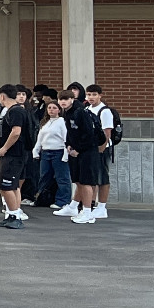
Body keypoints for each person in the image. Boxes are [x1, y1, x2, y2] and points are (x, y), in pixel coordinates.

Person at [0, 85, 34, 229]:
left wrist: (4, 148)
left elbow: (16, 132)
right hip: (13, 154)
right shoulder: (14, 110)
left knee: (6, 186)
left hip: (14, 154)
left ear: (2, 96)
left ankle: (15, 215)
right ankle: (12, 214)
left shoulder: (15, 111)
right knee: (14, 186)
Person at [63, 86, 104, 225]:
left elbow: (89, 134)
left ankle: (87, 212)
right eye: (61, 99)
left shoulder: (80, 112)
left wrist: (79, 149)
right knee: (79, 181)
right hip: (76, 150)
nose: (63, 102)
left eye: (66, 99)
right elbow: (70, 132)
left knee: (87, 181)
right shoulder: (67, 113)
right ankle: (76, 208)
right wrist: (68, 144)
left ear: (72, 99)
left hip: (88, 151)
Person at [33, 96, 73, 215]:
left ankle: (63, 201)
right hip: (46, 152)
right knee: (44, 176)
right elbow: (40, 138)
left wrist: (65, 154)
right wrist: (36, 150)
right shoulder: (45, 122)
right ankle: (42, 198)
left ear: (59, 110)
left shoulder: (61, 122)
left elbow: (66, 138)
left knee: (62, 177)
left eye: (54, 108)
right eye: (49, 108)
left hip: (58, 151)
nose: (51, 110)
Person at [87, 85, 117, 219]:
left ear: (100, 95)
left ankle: (102, 207)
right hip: (91, 148)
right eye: (89, 94)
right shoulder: (87, 109)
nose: (91, 97)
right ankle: (91, 204)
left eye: (94, 94)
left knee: (102, 177)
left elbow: (107, 133)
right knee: (92, 177)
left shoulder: (105, 111)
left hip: (101, 149)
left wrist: (101, 149)